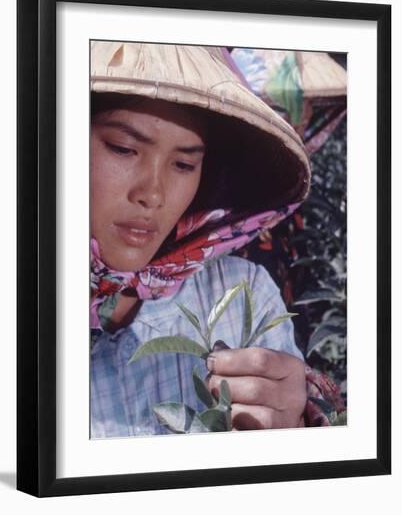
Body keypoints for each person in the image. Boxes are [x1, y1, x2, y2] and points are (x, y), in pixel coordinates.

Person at [90, 42, 343, 438]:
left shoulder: (241, 293)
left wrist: (293, 422)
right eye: (123, 148)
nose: (153, 194)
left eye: (184, 164)